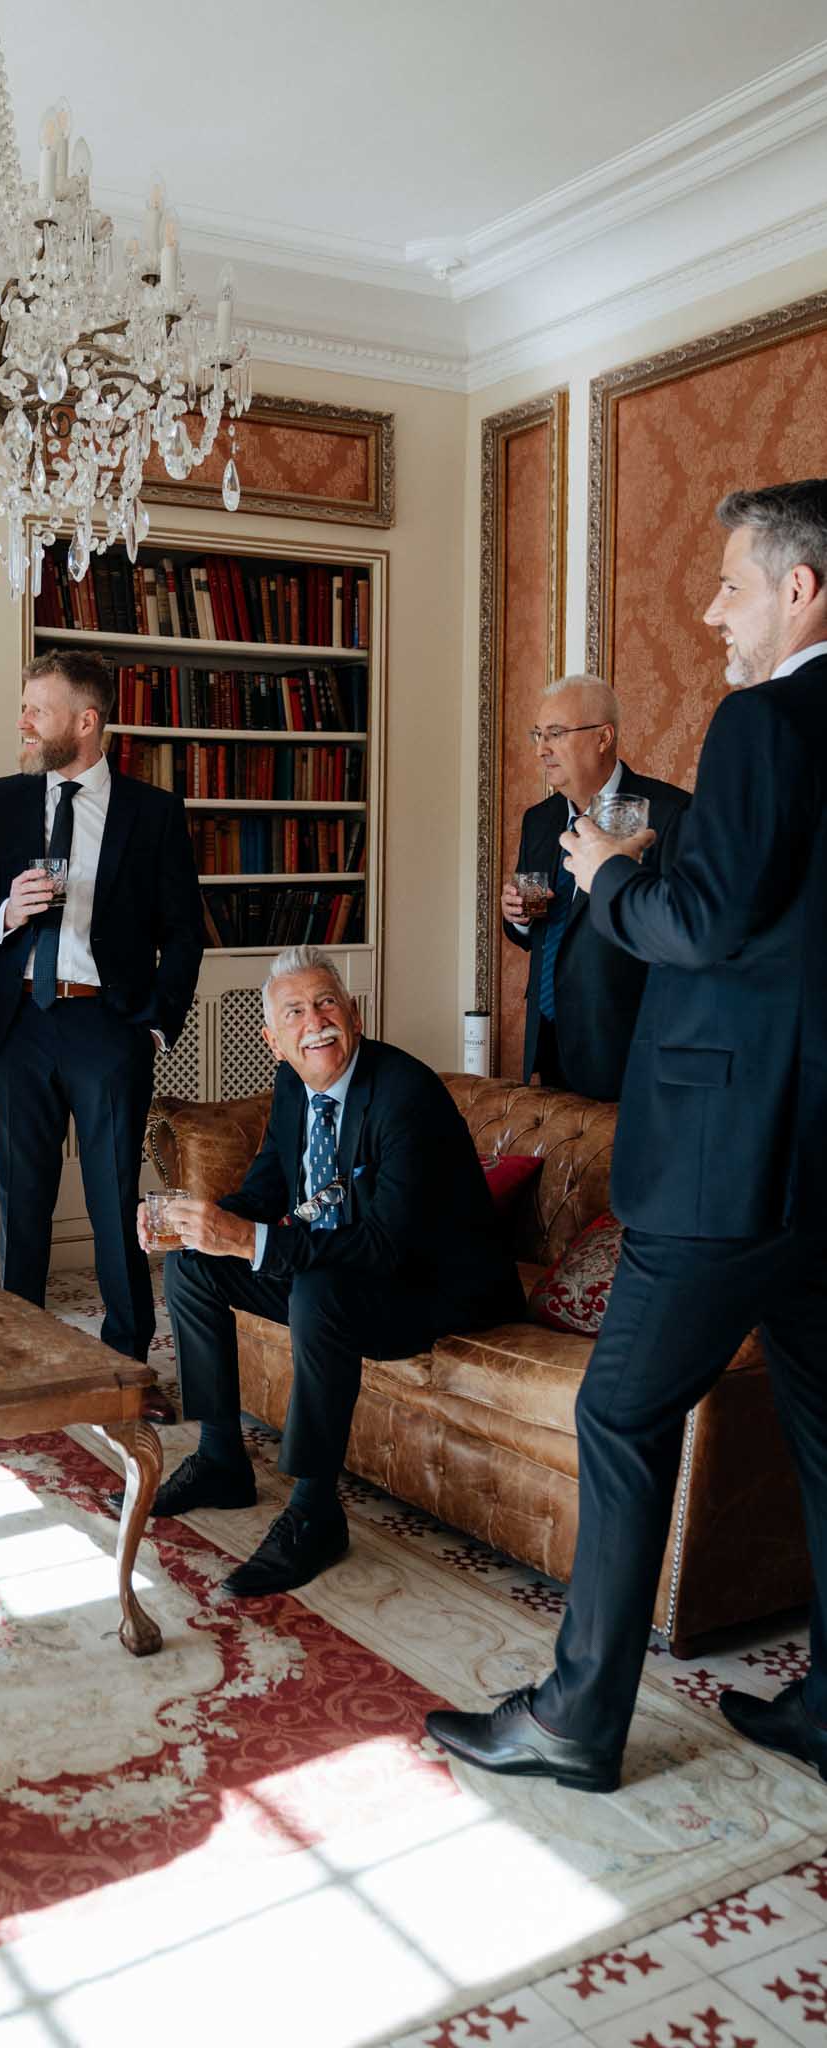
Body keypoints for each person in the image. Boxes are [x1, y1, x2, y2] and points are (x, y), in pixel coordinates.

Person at [427, 479, 827, 1793]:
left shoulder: (766, 722)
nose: (711, 609)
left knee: (617, 1411)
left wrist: (608, 878)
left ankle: (575, 1715)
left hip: (732, 1162)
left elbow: (701, 928)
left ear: (800, 590)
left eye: (729, 583)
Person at [143, 947, 524, 1598]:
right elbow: (266, 1191)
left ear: (352, 1013)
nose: (314, 1020)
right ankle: (219, 1457)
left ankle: (315, 1513)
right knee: (193, 1265)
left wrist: (252, 1240)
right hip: (350, 1269)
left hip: (436, 1288)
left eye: (326, 1003)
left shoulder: (404, 1094)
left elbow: (382, 1247)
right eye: (294, 1011)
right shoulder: (296, 1083)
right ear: (272, 1040)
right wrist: (198, 1221)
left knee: (321, 1291)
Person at [0, 650, 204, 1416]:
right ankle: (25, 1362)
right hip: (21, 1023)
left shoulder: (151, 812)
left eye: (37, 708)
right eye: (25, 706)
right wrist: (6, 910)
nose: (23, 721)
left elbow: (185, 933)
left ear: (85, 722)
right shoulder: (1, 800)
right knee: (23, 1200)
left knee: (112, 1199)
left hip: (107, 1025)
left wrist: (156, 1024)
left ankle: (127, 1366)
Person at [503, 676, 688, 1099]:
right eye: (538, 735)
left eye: (555, 734)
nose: (540, 750)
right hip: (547, 1039)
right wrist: (518, 916)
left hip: (625, 1045)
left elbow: (675, 932)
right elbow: (530, 931)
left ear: (603, 737)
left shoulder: (669, 814)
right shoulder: (540, 819)